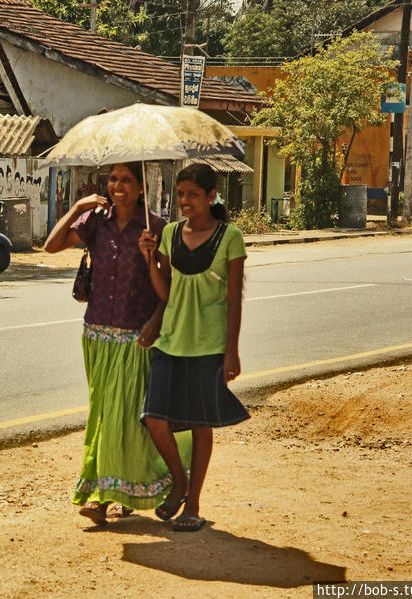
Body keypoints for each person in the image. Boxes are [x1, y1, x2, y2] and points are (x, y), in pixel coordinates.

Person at [44, 162, 173, 525]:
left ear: (141, 186)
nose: (118, 186)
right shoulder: (96, 221)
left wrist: (155, 320)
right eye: (113, 179)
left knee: (127, 418)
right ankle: (103, 492)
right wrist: (78, 207)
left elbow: (170, 286)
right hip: (97, 332)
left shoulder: (156, 228)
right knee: (102, 414)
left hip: (137, 335)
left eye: (126, 180)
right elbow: (50, 246)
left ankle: (116, 496)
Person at [138, 163, 250, 532]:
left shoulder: (230, 236)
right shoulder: (169, 233)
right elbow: (166, 291)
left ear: (211, 197)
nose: (185, 201)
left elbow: (234, 298)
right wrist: (149, 259)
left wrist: (231, 351)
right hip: (171, 341)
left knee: (202, 426)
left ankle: (194, 505)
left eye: (193, 194)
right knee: (155, 418)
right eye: (181, 194)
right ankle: (179, 481)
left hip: (209, 345)